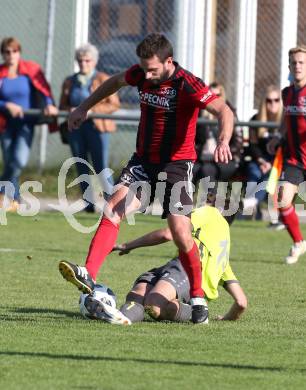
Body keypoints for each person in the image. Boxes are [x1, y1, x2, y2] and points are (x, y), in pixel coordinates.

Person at [59, 33, 234, 324]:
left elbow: (223, 110)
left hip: (176, 166)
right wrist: (84, 107)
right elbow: (114, 82)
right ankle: (89, 274)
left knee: (179, 231)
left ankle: (197, 293)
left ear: (168, 61)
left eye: (153, 69)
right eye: (144, 69)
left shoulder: (187, 84)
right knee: (113, 207)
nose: (147, 75)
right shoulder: (140, 74)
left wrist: (224, 140)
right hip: (143, 161)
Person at [83, 204, 247, 325]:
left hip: (185, 272)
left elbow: (168, 234)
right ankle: (118, 317)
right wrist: (225, 319)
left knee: (153, 303)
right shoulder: (222, 262)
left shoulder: (211, 212)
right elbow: (241, 303)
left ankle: (197, 312)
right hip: (173, 268)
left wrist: (128, 245)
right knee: (136, 296)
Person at [59, 43, 120, 212]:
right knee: (81, 165)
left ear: (94, 61)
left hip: (97, 127)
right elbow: (62, 105)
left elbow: (114, 104)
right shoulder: (70, 81)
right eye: (80, 60)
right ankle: (89, 203)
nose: (83, 64)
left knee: (101, 166)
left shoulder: (102, 78)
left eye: (87, 60)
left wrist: (92, 110)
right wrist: (70, 110)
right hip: (76, 128)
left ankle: (112, 203)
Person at [0, 37, 57, 211]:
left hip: (26, 123)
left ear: (19, 53)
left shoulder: (31, 70)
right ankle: (15, 199)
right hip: (4, 124)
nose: (11, 55)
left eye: (14, 51)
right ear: (3, 54)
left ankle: (3, 190)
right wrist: (6, 105)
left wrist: (49, 104)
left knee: (19, 161)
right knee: (10, 161)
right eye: (7, 52)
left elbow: (43, 89)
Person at [271, 45, 306, 264]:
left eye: (302, 62)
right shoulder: (287, 93)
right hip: (294, 160)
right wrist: (278, 136)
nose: (298, 66)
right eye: (294, 63)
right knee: (282, 200)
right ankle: (298, 243)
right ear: (289, 66)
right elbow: (287, 120)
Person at [244, 85, 284, 227]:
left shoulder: (286, 120)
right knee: (254, 170)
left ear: (281, 101)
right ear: (264, 102)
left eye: (276, 100)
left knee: (272, 176)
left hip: (280, 162)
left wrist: (272, 164)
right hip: (261, 160)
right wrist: (262, 161)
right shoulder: (256, 119)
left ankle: (251, 201)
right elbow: (253, 146)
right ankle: (249, 212)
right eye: (269, 100)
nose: (272, 103)